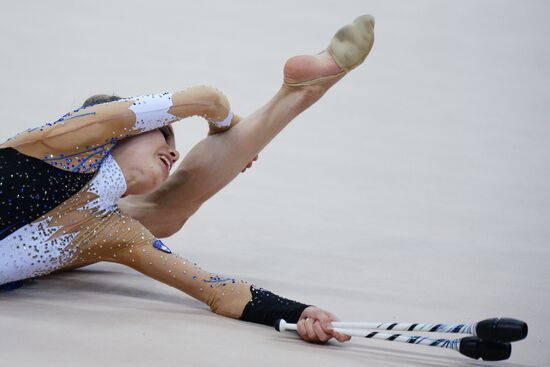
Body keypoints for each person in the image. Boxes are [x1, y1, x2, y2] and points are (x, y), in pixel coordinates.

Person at [0, 14, 375, 344]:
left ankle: (300, 92)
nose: (173, 152)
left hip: (81, 223)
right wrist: (227, 124)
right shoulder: (59, 145)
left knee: (163, 214)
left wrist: (301, 314)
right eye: (164, 134)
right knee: (159, 211)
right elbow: (206, 97)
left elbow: (218, 291)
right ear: (120, 134)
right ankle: (298, 92)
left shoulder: (113, 231)